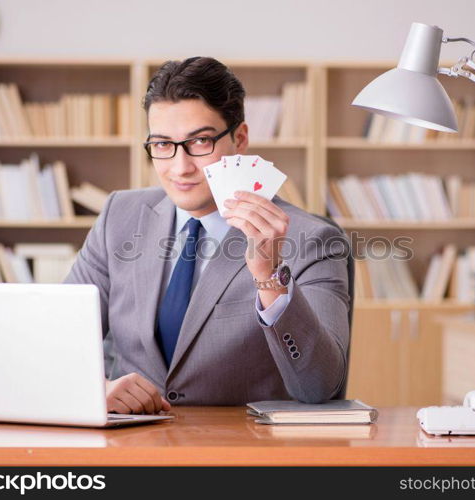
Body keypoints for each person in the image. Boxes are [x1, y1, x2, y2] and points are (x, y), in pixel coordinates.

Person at [64, 56, 350, 414]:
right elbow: (59, 337)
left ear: (239, 139)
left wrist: (270, 277)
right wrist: (97, 388)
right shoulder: (119, 215)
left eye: (200, 142)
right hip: (130, 446)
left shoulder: (312, 239)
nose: (180, 167)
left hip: (241, 452)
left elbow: (319, 387)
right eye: (163, 145)